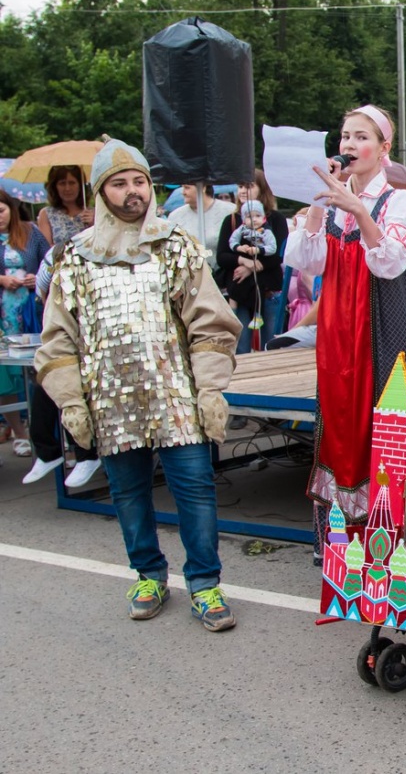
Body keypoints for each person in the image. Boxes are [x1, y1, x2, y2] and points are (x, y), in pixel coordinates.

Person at [34, 138, 243, 632]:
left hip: (176, 396)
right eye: (120, 183)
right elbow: (58, 338)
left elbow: (210, 324)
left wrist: (210, 389)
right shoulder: (76, 258)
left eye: (140, 182)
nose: (133, 192)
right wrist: (71, 402)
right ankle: (148, 574)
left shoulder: (175, 246)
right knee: (128, 493)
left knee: (194, 489)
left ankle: (205, 583)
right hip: (110, 402)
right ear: (100, 191)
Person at [284, 104, 406, 526]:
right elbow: (308, 261)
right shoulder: (330, 202)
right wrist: (320, 203)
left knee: (380, 418)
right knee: (337, 416)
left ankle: (384, 538)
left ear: (383, 148)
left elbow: (389, 264)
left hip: (380, 324)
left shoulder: (400, 200)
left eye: (361, 137)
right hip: (337, 329)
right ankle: (339, 543)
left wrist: (358, 208)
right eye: (345, 137)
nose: (350, 145)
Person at [24, 242, 102, 487]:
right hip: (69, 341)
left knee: (70, 389)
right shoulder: (55, 265)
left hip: (98, 345)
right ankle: (51, 453)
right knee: (48, 383)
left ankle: (86, 454)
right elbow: (42, 288)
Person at [216, 168, 289, 353]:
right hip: (240, 292)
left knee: (271, 345)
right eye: (240, 186)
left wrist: (252, 268)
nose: (242, 191)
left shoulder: (276, 219)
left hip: (268, 291)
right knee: (240, 347)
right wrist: (244, 261)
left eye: (248, 186)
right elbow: (222, 256)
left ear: (262, 188)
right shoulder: (232, 220)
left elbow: (279, 254)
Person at [0, 188, 48, 459]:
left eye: (1, 210)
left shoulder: (30, 232)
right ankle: (18, 432)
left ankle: (45, 432)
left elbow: (51, 260)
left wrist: (36, 277)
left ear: (12, 208)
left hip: (32, 309)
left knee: (38, 369)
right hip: (3, 314)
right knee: (5, 377)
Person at [167, 183, 236, 264]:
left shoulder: (230, 211)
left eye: (187, 188)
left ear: (203, 188)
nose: (183, 192)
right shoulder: (175, 216)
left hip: (223, 272)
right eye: (182, 188)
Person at [36, 164, 94, 246]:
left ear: (80, 186)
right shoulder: (46, 214)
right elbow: (45, 248)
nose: (67, 188)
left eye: (72, 183)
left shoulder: (94, 213)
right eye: (62, 183)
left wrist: (93, 224)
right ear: (55, 187)